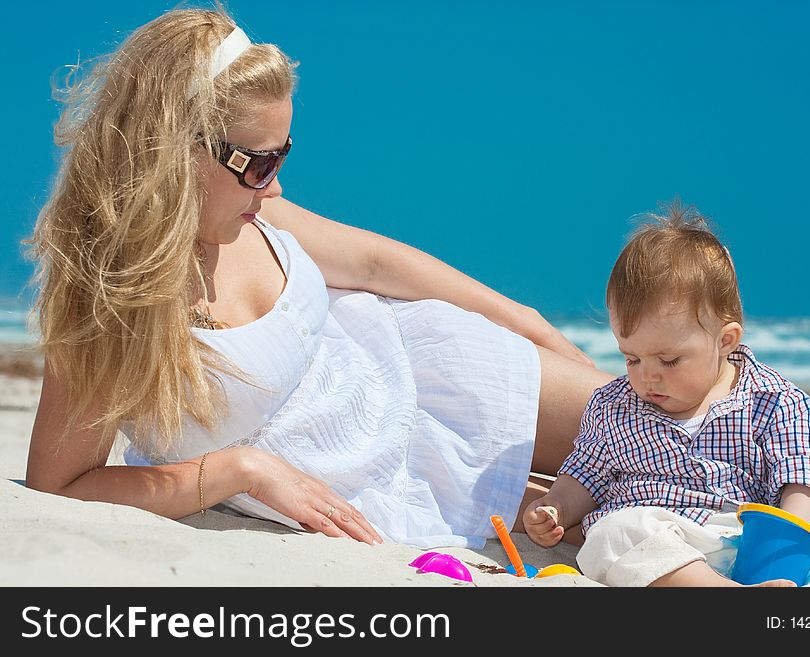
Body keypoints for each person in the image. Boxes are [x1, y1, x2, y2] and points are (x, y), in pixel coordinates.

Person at [23, 9, 613, 550]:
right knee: (639, 521)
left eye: (282, 157)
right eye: (258, 163)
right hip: (373, 489)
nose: (274, 185)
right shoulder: (107, 309)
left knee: (682, 426)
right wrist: (238, 470)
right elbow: (61, 486)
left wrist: (523, 321)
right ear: (174, 153)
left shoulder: (254, 209)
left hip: (435, 370)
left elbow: (377, 265)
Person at [523, 202, 810, 586]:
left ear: (724, 341)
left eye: (669, 360)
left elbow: (804, 481)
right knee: (614, 532)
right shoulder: (613, 406)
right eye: (631, 358)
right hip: (666, 537)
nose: (647, 377)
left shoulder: (775, 401)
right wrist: (557, 505)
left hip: (753, 537)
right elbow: (586, 475)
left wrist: (787, 539)